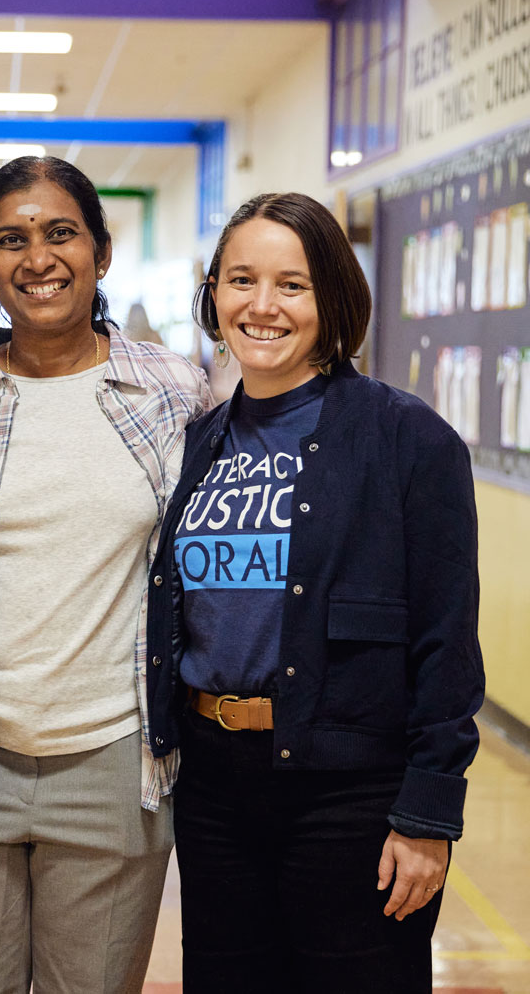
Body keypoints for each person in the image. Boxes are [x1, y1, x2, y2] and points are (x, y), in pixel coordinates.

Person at [146, 192, 484, 992]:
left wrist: (427, 815)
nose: (262, 306)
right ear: (214, 295)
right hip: (216, 784)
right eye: (241, 280)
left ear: (332, 297)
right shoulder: (199, 442)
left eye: (291, 285)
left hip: (351, 789)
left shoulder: (408, 439)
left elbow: (446, 640)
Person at [0, 155, 212, 993]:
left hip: (112, 764)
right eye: (11, 239)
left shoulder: (173, 392)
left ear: (101, 253)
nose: (38, 257)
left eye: (61, 232)